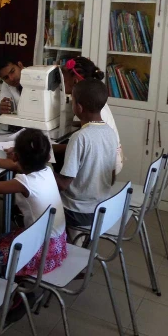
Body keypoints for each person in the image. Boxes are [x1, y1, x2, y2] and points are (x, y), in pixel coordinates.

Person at [0, 128, 67, 277]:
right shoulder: (48, 171)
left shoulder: (24, 182)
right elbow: (15, 166)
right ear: (48, 156)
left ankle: (7, 283)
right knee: (3, 239)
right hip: (57, 244)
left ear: (15, 156)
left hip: (40, 252)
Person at [56, 79, 118, 230]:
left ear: (78, 107)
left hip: (77, 212)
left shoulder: (80, 137)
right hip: (102, 207)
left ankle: (48, 240)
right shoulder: (110, 132)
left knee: (34, 194)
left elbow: (63, 184)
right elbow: (112, 177)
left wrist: (43, 169)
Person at [59, 56, 123, 174]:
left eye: (63, 79)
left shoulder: (87, 105)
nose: (61, 84)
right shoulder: (93, 100)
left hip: (107, 162)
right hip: (110, 159)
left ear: (75, 81)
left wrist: (51, 147)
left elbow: (82, 145)